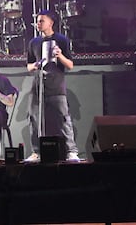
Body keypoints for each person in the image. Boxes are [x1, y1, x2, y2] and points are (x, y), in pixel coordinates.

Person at [24, 9, 79, 162]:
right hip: (38, 86)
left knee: (63, 118)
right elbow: (28, 66)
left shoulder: (62, 40)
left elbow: (70, 65)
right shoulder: (33, 42)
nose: (38, 24)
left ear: (51, 23)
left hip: (56, 85)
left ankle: (71, 151)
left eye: (42, 20)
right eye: (37, 21)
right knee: (34, 119)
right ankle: (37, 152)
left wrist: (59, 55)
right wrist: (35, 65)